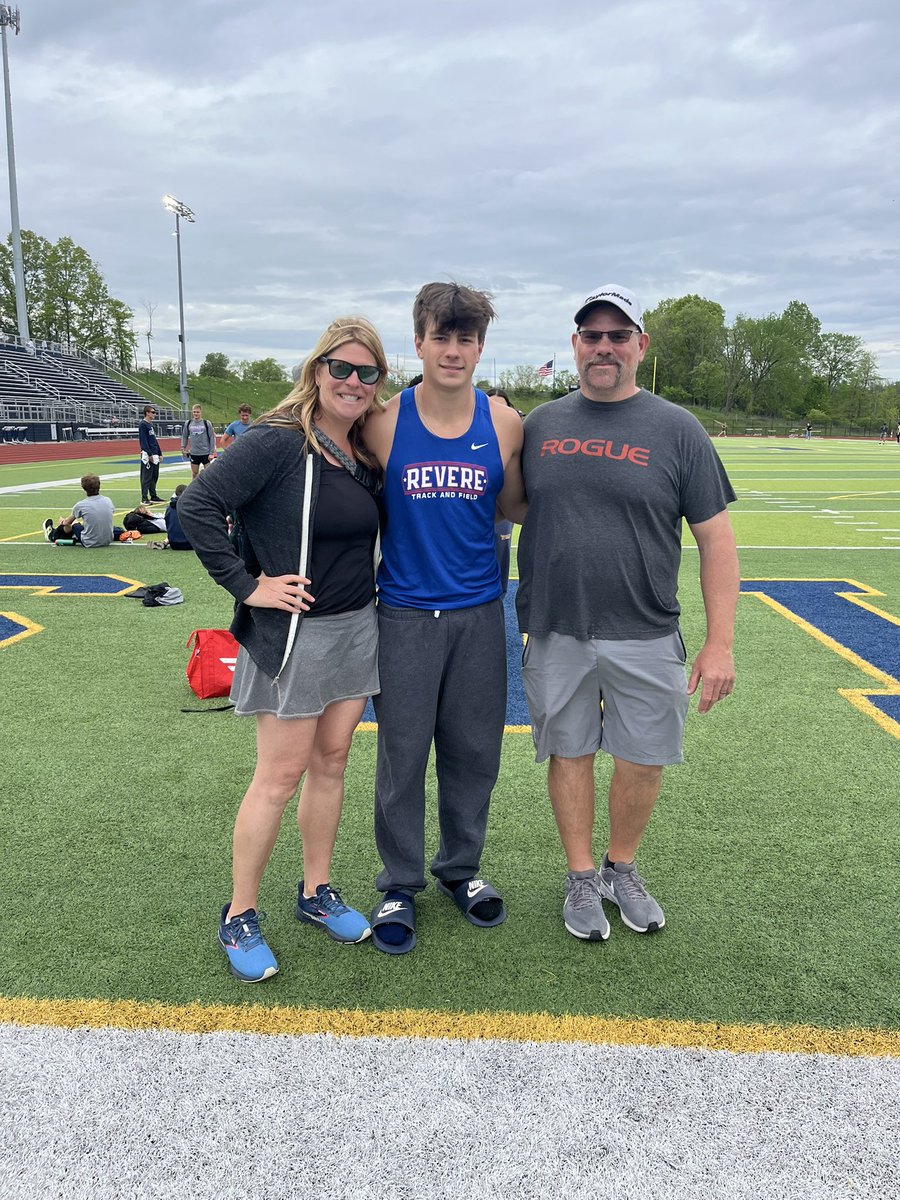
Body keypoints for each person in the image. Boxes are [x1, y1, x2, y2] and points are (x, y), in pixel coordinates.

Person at [511, 283, 739, 943]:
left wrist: (719, 643)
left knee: (643, 759)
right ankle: (581, 875)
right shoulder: (542, 424)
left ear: (640, 346)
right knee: (570, 752)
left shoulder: (677, 428)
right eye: (591, 335)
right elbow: (517, 505)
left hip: (645, 627)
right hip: (556, 626)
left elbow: (716, 541)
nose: (603, 346)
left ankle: (621, 867)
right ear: (575, 346)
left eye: (618, 335)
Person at [178, 316, 387, 983]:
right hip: (296, 635)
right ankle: (239, 913)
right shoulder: (277, 440)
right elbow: (199, 505)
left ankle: (315, 892)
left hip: (357, 628)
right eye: (341, 368)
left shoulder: (360, 448)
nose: (352, 382)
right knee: (279, 776)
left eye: (367, 372)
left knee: (332, 764)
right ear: (317, 368)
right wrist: (248, 585)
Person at [362, 282, 525, 954]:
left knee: (474, 753)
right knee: (402, 757)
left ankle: (461, 870)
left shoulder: (506, 423)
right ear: (419, 340)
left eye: (465, 338)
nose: (453, 350)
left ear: (480, 346)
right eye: (441, 336)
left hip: (480, 615)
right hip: (402, 615)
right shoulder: (382, 422)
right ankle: (399, 882)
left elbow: (515, 508)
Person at [486, 387, 523, 594]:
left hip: (504, 512)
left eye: (503, 408)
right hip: (478, 511)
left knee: (500, 560)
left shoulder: (516, 440)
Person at [42, 474, 131, 546]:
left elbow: (67, 523)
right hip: (108, 540)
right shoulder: (108, 500)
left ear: (84, 488)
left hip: (89, 542)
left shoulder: (81, 505)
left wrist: (63, 521)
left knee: (72, 525)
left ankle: (51, 535)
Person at [181, 404, 217, 478]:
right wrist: (183, 447)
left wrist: (211, 453)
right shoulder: (188, 423)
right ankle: (194, 489)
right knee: (194, 473)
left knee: (208, 474)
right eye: (194, 412)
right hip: (194, 453)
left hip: (205, 452)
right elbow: (184, 436)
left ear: (201, 412)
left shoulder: (206, 423)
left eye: (197, 412)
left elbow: (211, 437)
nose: (196, 414)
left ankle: (208, 489)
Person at [138, 405, 164, 503]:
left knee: (154, 476)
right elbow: (143, 441)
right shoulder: (143, 425)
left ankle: (153, 495)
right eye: (153, 412)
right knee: (146, 477)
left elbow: (154, 440)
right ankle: (144, 498)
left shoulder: (150, 425)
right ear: (147, 413)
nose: (154, 414)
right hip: (148, 454)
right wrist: (149, 454)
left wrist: (159, 453)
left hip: (154, 453)